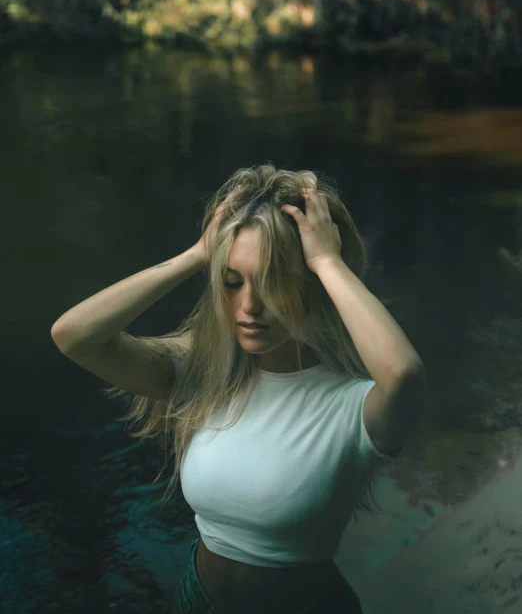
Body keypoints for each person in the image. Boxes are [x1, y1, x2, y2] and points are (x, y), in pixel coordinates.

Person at [51, 163, 425, 614]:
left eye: (272, 283)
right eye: (231, 282)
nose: (248, 307)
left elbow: (403, 374)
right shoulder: (204, 371)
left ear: (311, 286)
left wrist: (328, 261)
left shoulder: (355, 408)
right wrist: (197, 254)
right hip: (197, 599)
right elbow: (74, 336)